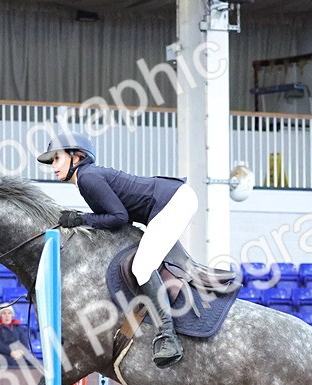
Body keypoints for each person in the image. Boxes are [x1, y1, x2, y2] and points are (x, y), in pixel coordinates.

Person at [37, 131, 196, 368]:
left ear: (77, 157)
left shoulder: (87, 178)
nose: (53, 166)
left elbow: (118, 218)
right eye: (52, 162)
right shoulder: (87, 178)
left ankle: (168, 337)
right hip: (169, 201)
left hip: (172, 201)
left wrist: (82, 219)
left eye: (57, 159)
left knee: (142, 267)